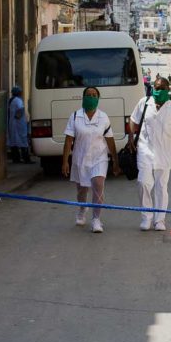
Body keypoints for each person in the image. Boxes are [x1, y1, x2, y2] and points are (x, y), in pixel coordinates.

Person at [128, 77, 171, 231]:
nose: (158, 90)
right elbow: (133, 120)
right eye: (156, 87)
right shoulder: (144, 103)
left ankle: (159, 220)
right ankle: (146, 217)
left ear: (168, 89)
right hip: (144, 150)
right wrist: (130, 138)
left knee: (161, 187)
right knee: (143, 182)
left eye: (161, 88)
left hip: (165, 154)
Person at [62, 86, 121, 233]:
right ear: (83, 98)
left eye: (94, 95)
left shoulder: (103, 117)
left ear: (98, 98)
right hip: (80, 158)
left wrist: (115, 160)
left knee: (98, 184)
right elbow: (68, 140)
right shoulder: (75, 116)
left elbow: (110, 140)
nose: (91, 97)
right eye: (88, 95)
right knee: (82, 190)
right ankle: (82, 209)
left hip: (99, 158)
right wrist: (64, 162)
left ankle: (96, 219)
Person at [8, 87, 32, 164]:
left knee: (14, 142)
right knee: (23, 141)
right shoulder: (18, 100)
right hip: (19, 124)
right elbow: (20, 110)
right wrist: (18, 118)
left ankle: (16, 159)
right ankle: (26, 159)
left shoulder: (11, 100)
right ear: (18, 93)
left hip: (13, 124)